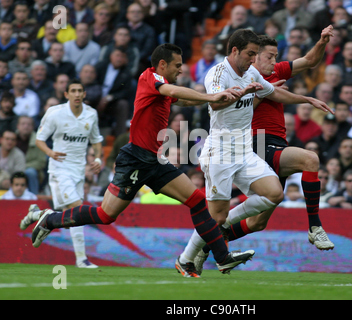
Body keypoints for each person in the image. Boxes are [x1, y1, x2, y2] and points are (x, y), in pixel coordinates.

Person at [29, 44, 256, 277]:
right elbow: (173, 92)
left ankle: (222, 258)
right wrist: (210, 95)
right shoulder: (151, 78)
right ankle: (50, 220)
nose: (180, 70)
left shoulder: (164, 89)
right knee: (106, 215)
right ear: (162, 65)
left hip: (156, 161)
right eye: (177, 66)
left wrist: (224, 98)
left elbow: (184, 100)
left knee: (197, 201)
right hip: (136, 159)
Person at [178, 28, 333, 275]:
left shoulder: (252, 72)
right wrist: (245, 92)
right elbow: (216, 102)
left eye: (257, 55)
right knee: (216, 217)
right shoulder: (217, 73)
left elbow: (272, 91)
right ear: (235, 50)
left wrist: (307, 99)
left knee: (273, 195)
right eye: (252, 54)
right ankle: (186, 258)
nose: (254, 60)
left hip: (245, 150)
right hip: (221, 150)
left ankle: (220, 233)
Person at [20, 79, 103, 268]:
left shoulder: (91, 114)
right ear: (66, 94)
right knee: (77, 208)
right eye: (72, 91)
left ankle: (38, 214)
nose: (76, 94)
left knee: (69, 218)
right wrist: (50, 153)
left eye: (80, 91)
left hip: (79, 171)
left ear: (84, 94)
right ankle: (82, 259)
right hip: (59, 170)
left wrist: (97, 159)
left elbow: (97, 141)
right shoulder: (55, 113)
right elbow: (40, 139)